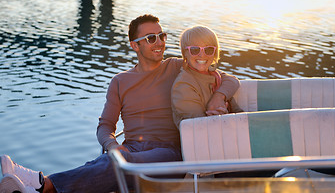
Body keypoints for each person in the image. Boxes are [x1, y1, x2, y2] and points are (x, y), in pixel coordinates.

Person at [0, 14, 240, 193]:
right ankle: (37, 187)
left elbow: (228, 78)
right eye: (151, 38)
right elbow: (105, 126)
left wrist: (219, 97)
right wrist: (112, 144)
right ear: (135, 45)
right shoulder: (120, 81)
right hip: (132, 148)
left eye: (162, 36)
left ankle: (44, 184)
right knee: (112, 160)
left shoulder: (178, 66)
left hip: (169, 151)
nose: (160, 42)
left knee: (118, 163)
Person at [172, 25, 242, 128]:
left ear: (214, 53)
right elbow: (199, 128)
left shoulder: (213, 74)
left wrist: (218, 97)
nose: (202, 55)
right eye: (195, 49)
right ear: (185, 53)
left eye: (208, 50)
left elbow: (232, 80)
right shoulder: (183, 86)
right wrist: (222, 117)